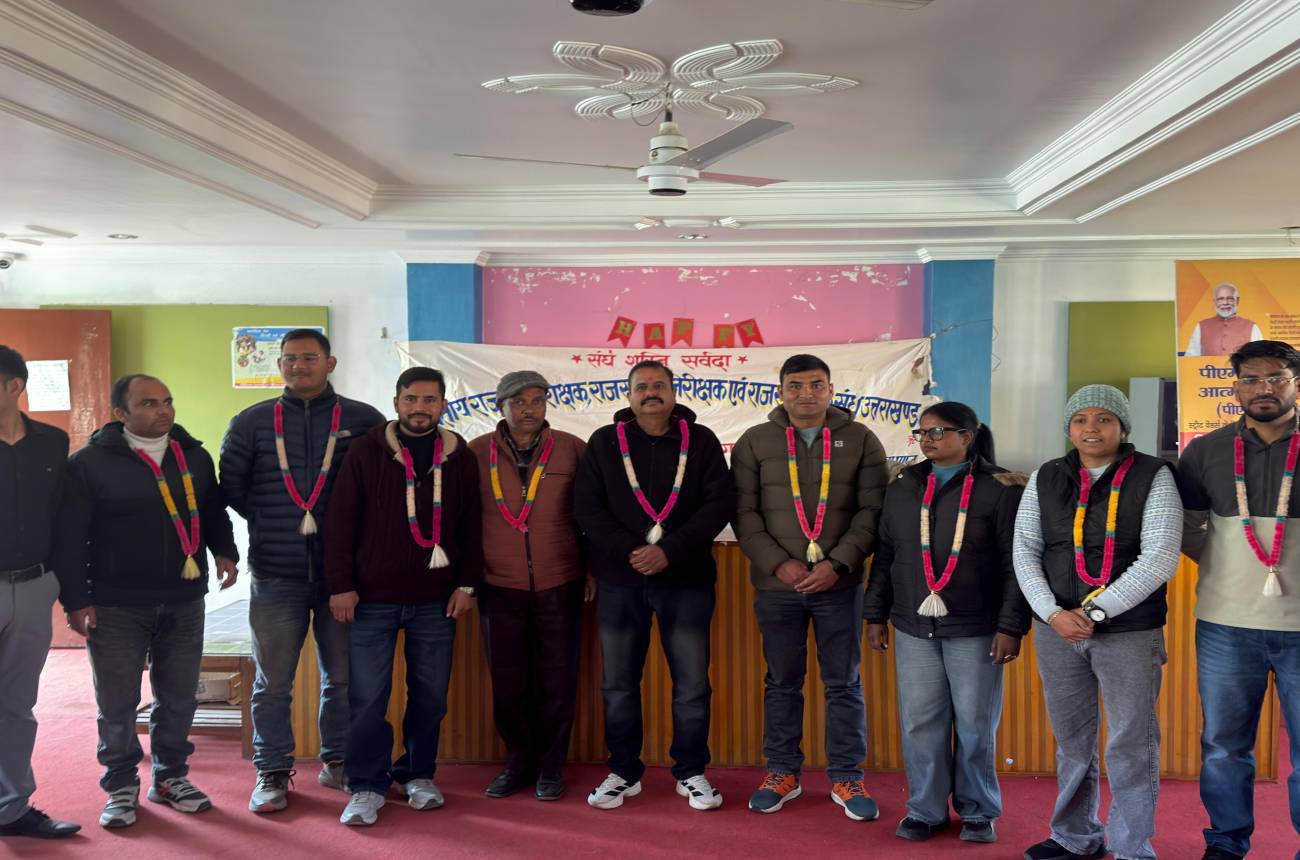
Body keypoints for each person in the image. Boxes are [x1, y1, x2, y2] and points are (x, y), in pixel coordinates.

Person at [59, 375, 239, 828]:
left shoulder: (193, 455)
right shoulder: (89, 463)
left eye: (168, 401)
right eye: (149, 403)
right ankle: (120, 785)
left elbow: (212, 510)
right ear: (121, 413)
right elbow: (70, 537)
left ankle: (171, 778)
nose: (164, 410)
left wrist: (225, 552)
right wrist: (76, 599)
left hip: (184, 599)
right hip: (116, 604)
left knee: (178, 697)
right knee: (118, 703)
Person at [1014, 384, 1183, 860]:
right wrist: (1051, 613)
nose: (1092, 428)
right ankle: (1075, 835)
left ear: (1122, 428)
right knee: (1072, 740)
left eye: (1104, 419)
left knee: (1132, 741)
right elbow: (1024, 550)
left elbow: (1160, 557)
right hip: (1056, 630)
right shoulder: (1046, 476)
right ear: (1068, 429)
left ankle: (1131, 846)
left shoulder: (1153, 474)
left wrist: (1092, 613)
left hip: (1128, 631)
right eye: (1080, 420)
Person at [219, 329, 384, 812]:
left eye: (309, 357)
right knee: (273, 682)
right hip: (276, 574)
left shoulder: (363, 419)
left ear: (330, 363)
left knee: (343, 680)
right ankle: (272, 770)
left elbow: (379, 488)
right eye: (289, 358)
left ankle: (339, 761)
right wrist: (274, 517)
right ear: (280, 365)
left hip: (343, 579)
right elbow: (233, 487)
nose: (298, 366)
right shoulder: (251, 422)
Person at [731, 353, 889, 822]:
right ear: (781, 391)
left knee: (844, 682)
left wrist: (838, 564)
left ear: (831, 390)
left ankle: (846, 775)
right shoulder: (755, 441)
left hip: (838, 586)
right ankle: (782, 772)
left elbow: (872, 511)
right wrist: (778, 563)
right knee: (782, 682)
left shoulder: (860, 439)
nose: (806, 394)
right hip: (777, 587)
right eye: (796, 386)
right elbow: (743, 513)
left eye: (816, 385)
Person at [864, 402, 1029, 844]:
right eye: (922, 433)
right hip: (913, 626)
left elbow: (1016, 564)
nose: (928, 439)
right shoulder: (904, 485)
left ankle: (978, 811)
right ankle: (925, 809)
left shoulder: (1001, 488)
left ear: (967, 437)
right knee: (920, 722)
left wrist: (1010, 626)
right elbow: (886, 554)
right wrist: (875, 613)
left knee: (975, 724)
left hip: (976, 627)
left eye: (939, 432)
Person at [324, 367, 482, 826]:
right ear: (396, 403)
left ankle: (417, 774)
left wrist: (468, 584)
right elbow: (340, 521)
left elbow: (472, 524)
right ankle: (366, 785)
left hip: (436, 601)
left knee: (431, 696)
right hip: (371, 600)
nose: (420, 408)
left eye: (430, 400)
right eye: (411, 399)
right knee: (368, 698)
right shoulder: (366, 451)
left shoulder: (459, 455)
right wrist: (341, 585)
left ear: (443, 405)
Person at [574, 360, 735, 811]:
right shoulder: (604, 442)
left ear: (673, 392)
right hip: (620, 582)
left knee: (691, 684)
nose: (650, 392)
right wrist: (632, 551)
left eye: (659, 385)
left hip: (686, 581)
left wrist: (670, 550)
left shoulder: (700, 441)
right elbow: (587, 509)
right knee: (619, 685)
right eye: (641, 386)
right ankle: (624, 772)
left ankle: (691, 771)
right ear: (628, 396)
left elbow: (719, 503)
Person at [1176, 339, 1300, 860]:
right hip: (1226, 625)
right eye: (1250, 379)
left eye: (1276, 378)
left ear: (1296, 384)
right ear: (1236, 388)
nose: (1262, 388)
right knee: (1224, 747)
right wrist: (1227, 567)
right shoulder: (1205, 451)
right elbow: (1186, 527)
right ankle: (1226, 842)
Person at [468, 371, 593, 802]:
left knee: (558, 679)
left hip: (560, 581)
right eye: (519, 402)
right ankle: (518, 761)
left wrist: (591, 570)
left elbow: (590, 515)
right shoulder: (476, 453)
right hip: (498, 584)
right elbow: (463, 521)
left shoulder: (572, 449)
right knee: (508, 682)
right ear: (500, 406)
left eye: (537, 400)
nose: (529, 410)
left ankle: (552, 766)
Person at [0, 346, 79, 841]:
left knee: (15, 703)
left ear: (14, 386)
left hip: (33, 587)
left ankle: (10, 809)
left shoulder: (52, 442)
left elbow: (63, 519)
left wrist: (70, 593)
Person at [1185, 283, 1262, 357]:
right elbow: (1191, 358)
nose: (1225, 303)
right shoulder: (1201, 326)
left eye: (1230, 299)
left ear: (1237, 301)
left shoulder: (1252, 327)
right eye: (1220, 299)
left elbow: (1260, 358)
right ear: (1214, 302)